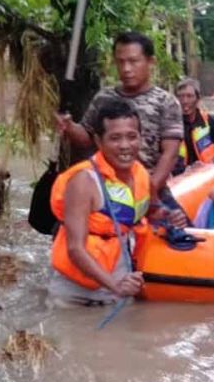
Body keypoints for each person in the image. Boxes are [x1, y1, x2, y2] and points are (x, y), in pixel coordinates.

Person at [48, 100, 184, 306]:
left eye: (132, 137)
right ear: (98, 141)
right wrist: (115, 286)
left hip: (119, 281)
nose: (125, 146)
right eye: (115, 138)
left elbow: (149, 212)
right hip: (74, 295)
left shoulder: (142, 176)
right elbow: (75, 249)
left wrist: (168, 215)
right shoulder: (83, 182)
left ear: (140, 138)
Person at [55, 31, 186, 220]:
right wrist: (68, 127)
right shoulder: (103, 98)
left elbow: (170, 154)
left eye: (133, 61)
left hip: (150, 185)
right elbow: (86, 138)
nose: (126, 68)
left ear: (150, 62)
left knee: (184, 234)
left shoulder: (166, 102)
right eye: (121, 62)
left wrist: (148, 190)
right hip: (105, 187)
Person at [175, 77, 214, 169]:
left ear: (198, 99)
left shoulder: (211, 121)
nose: (185, 101)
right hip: (182, 176)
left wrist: (213, 165)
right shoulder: (171, 126)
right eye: (181, 96)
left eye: (189, 96)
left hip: (209, 173)